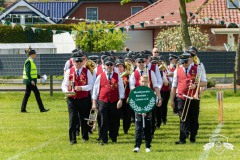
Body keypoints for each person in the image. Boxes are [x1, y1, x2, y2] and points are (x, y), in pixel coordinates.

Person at [170, 53, 207, 144]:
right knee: (183, 118)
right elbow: (174, 86)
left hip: (193, 98)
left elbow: (205, 82)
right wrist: (172, 99)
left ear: (189, 60)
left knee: (194, 118)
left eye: (185, 62)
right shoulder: (177, 71)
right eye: (182, 62)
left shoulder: (197, 69)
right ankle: (182, 139)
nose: (184, 64)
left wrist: (196, 85)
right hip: (181, 97)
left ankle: (193, 137)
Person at [129, 53, 162, 152]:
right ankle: (137, 146)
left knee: (148, 124)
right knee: (138, 124)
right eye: (139, 62)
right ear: (136, 62)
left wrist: (159, 98)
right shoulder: (134, 73)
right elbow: (132, 87)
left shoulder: (150, 72)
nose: (141, 63)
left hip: (148, 101)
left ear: (145, 62)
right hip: (138, 101)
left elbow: (155, 86)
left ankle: (148, 146)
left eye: (142, 61)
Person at [62, 51, 94, 145]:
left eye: (80, 61)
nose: (79, 63)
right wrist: (66, 92)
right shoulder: (69, 71)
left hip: (83, 98)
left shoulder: (87, 71)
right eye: (77, 61)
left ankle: (85, 137)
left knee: (84, 119)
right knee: (73, 119)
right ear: (73, 62)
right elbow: (64, 84)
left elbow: (91, 84)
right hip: (72, 99)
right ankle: (72, 139)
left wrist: (82, 88)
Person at [92, 56, 124, 145]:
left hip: (114, 101)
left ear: (113, 65)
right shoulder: (100, 76)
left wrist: (121, 100)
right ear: (104, 65)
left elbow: (121, 89)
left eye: (111, 64)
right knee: (103, 120)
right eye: (107, 64)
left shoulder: (118, 76)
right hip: (103, 101)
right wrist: (94, 102)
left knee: (114, 120)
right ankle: (103, 139)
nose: (109, 66)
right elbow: (95, 89)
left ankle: (113, 138)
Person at [21, 48, 49, 113]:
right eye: (35, 54)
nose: (36, 55)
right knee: (36, 93)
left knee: (27, 94)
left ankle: (23, 109)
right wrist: (31, 80)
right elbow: (28, 72)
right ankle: (41, 109)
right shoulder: (29, 61)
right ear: (32, 54)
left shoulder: (31, 61)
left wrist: (40, 76)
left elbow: (32, 73)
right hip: (30, 81)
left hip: (30, 81)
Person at [116, 58, 132, 134]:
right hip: (116, 99)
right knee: (116, 115)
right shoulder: (114, 75)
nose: (119, 68)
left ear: (124, 67)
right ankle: (116, 129)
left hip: (126, 98)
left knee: (127, 115)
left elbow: (130, 87)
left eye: (121, 66)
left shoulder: (128, 76)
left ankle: (126, 129)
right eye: (118, 66)